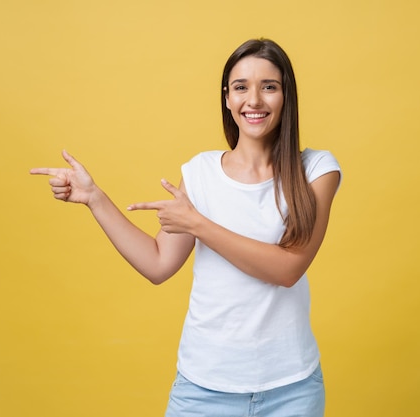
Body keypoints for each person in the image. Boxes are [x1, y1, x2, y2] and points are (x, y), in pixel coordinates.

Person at [31, 38, 341, 417]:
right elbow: (158, 264)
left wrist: (198, 224)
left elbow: (289, 268)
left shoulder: (317, 170)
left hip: (291, 390)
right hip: (203, 390)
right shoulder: (201, 172)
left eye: (269, 87)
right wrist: (95, 197)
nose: (254, 100)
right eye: (241, 87)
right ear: (227, 98)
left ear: (286, 96)